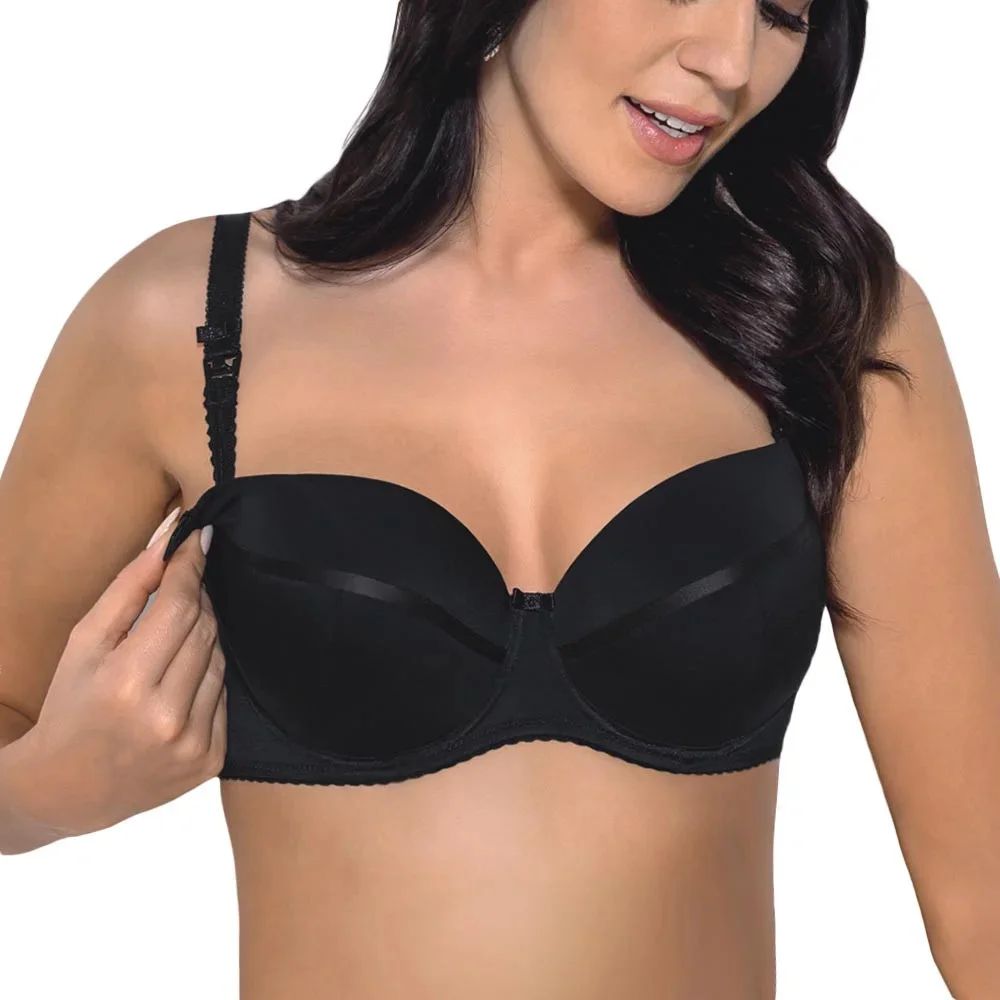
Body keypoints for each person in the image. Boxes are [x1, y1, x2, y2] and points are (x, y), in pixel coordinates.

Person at [1, 0, 998, 997]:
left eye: (781, 12)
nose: (731, 60)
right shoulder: (194, 320)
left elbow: (983, 905)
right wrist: (48, 788)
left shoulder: (829, 331)